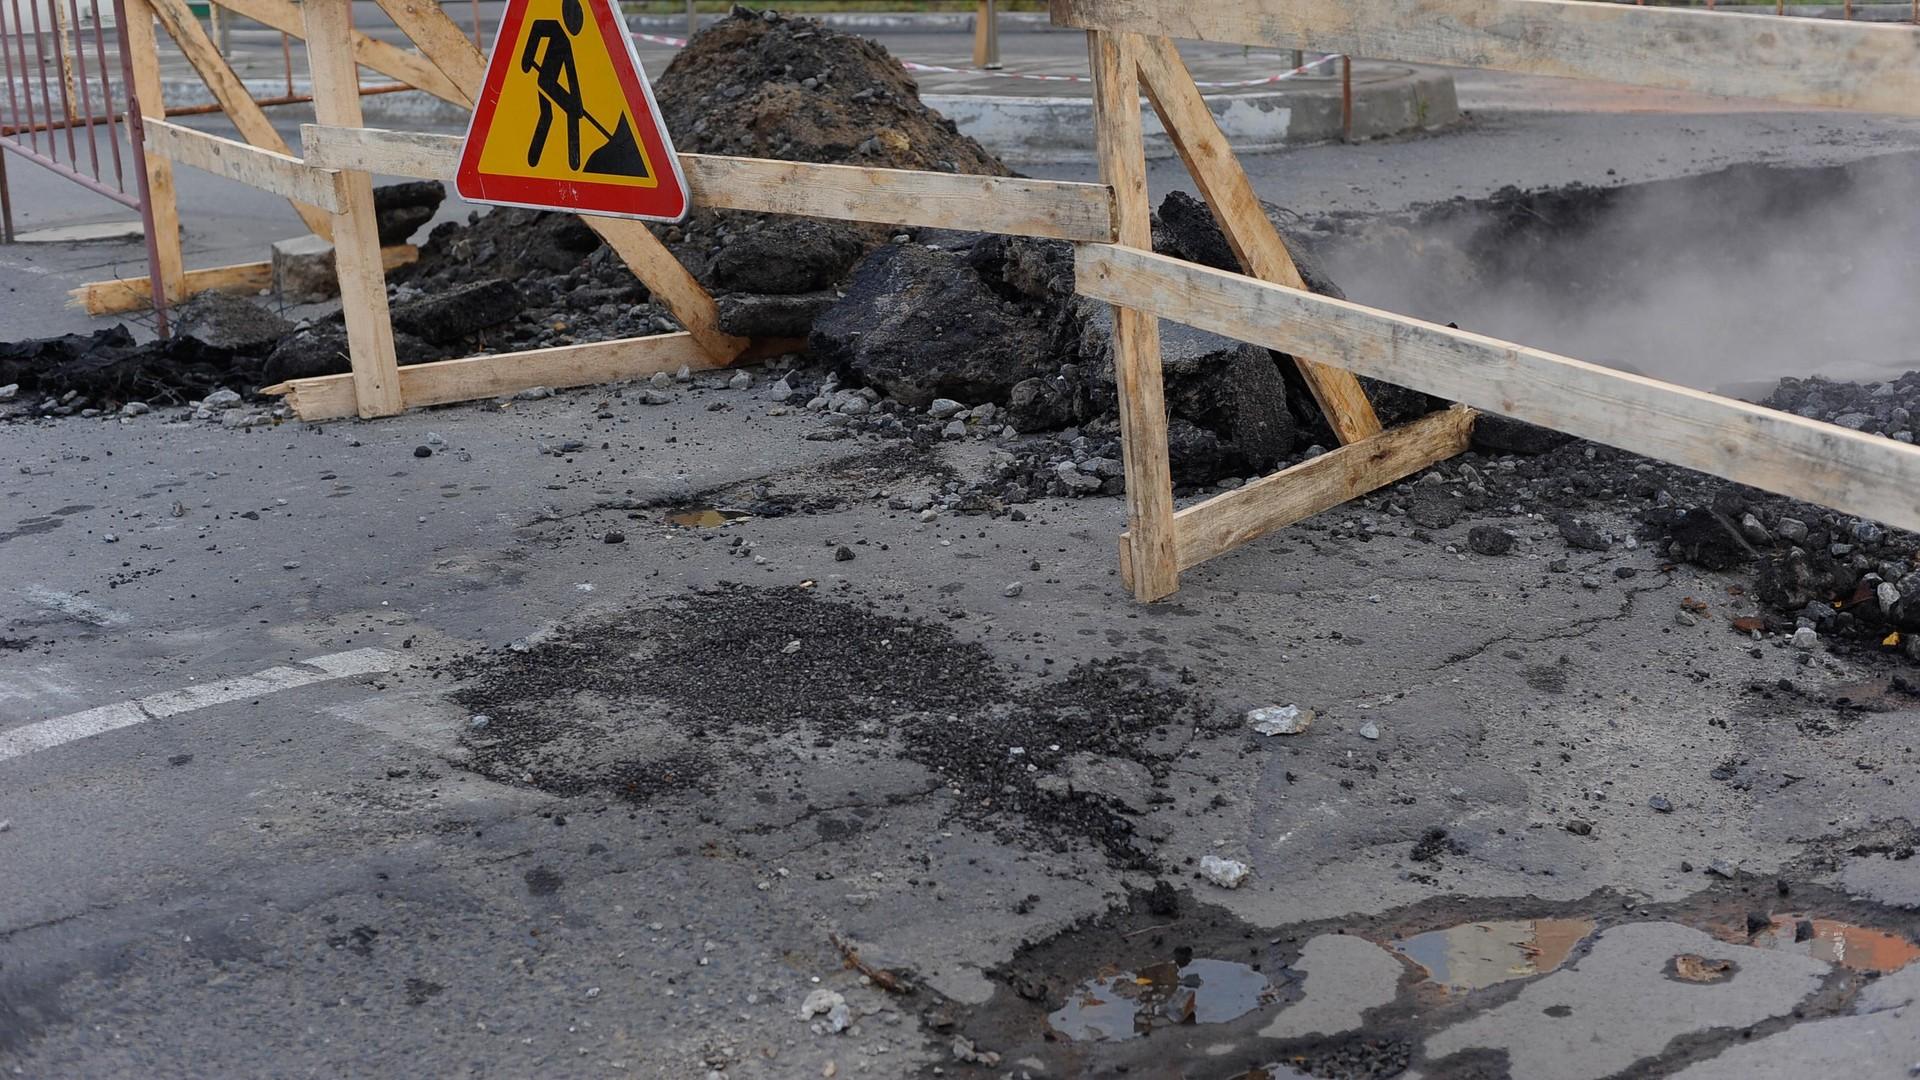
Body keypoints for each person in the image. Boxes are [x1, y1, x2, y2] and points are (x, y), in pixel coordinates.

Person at [521, 0, 587, 171]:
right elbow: (536, 27)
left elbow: (571, 74)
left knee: (551, 115)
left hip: (547, 82)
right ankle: (534, 159)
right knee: (553, 113)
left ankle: (573, 161)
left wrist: (577, 102)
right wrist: (527, 59)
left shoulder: (567, 43)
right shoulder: (555, 29)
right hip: (545, 82)